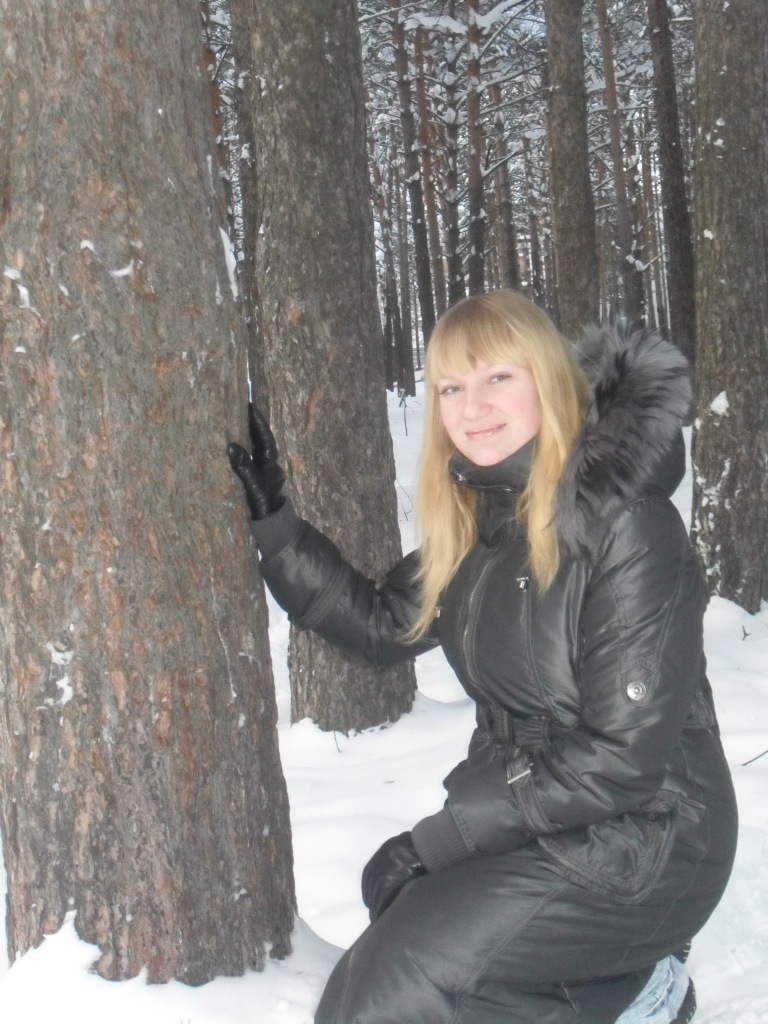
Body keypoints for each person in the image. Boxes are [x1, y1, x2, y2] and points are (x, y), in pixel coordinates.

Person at [228, 290, 737, 1024]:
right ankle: (625, 988)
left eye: (498, 377)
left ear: (549, 380)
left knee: (391, 989)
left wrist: (446, 837)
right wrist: (277, 527)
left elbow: (623, 760)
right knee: (384, 931)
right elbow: (381, 624)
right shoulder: (486, 524)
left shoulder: (628, 524)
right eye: (450, 388)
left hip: (651, 832)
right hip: (543, 814)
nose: (473, 408)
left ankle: (643, 994)